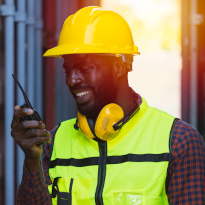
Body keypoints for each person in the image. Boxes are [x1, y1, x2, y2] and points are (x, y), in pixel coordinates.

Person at [11, 6, 204, 205]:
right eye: (67, 70)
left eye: (84, 68)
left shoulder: (178, 142)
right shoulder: (53, 143)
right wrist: (32, 161)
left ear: (119, 66)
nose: (71, 80)